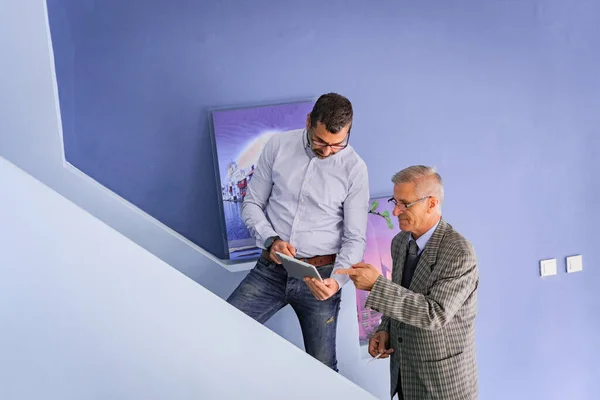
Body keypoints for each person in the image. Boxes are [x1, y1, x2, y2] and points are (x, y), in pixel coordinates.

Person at [226, 93, 370, 371]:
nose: (327, 151)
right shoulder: (278, 146)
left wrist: (336, 283)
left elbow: (354, 239)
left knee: (324, 369)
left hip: (321, 279)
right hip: (271, 270)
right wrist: (271, 240)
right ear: (308, 122)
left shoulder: (355, 169)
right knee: (221, 330)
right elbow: (252, 203)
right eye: (319, 141)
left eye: (337, 144)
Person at [336, 165, 479, 399]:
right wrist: (385, 329)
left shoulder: (459, 252)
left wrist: (376, 285)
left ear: (432, 203)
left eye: (405, 204)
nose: (395, 212)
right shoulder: (400, 242)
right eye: (395, 202)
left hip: (443, 382)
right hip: (404, 374)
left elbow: (434, 314)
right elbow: (403, 294)